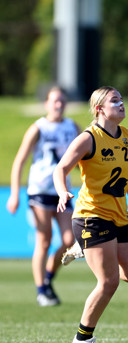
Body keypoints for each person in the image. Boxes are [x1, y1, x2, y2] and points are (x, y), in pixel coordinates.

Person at [54, 86, 128, 343]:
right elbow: (61, 168)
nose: (121, 104)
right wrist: (62, 191)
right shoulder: (89, 138)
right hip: (91, 217)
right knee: (109, 282)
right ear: (99, 109)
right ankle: (82, 339)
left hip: (120, 216)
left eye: (122, 99)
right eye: (115, 101)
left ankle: (86, 251)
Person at [7, 86, 80, 306]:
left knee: (70, 240)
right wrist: (14, 193)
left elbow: (82, 157)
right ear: (47, 104)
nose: (59, 105)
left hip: (62, 190)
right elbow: (19, 161)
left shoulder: (72, 126)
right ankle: (41, 290)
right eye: (55, 101)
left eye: (62, 101)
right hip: (39, 190)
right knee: (44, 239)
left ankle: (48, 279)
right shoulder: (38, 128)